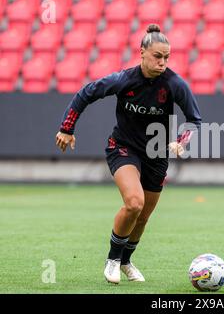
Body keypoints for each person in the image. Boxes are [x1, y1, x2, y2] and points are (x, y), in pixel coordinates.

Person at [55, 24, 202, 284]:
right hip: (123, 147)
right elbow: (86, 93)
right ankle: (112, 259)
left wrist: (181, 140)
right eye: (158, 56)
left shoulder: (175, 84)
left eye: (167, 57)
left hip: (156, 154)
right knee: (134, 203)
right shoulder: (123, 80)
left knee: (143, 216)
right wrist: (67, 128)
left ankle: (126, 261)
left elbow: (194, 120)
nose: (163, 62)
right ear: (142, 53)